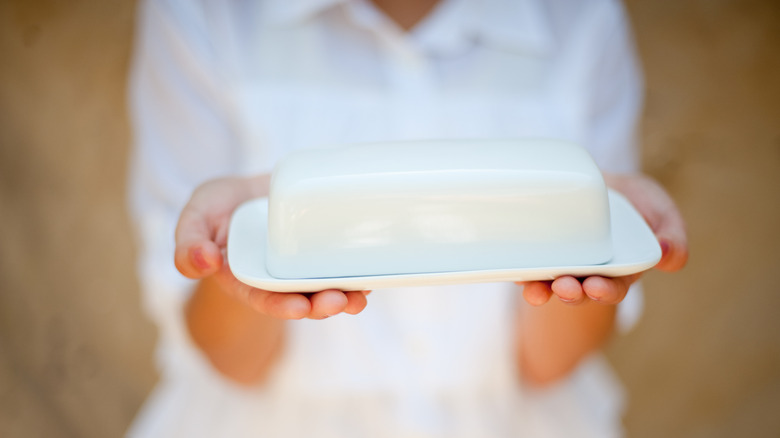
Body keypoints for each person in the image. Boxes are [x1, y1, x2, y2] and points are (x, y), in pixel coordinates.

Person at [127, 0, 688, 436]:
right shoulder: (207, 12)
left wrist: (594, 242)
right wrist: (239, 260)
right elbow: (231, 360)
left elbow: (545, 365)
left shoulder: (578, 19)